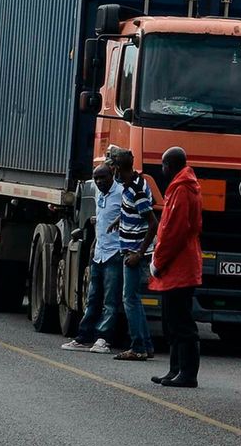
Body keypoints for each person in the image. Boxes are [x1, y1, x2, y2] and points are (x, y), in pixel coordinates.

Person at [149, 147, 204, 388]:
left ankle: (187, 373)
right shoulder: (182, 187)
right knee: (172, 320)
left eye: (163, 165)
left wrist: (157, 261)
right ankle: (175, 370)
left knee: (181, 322)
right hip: (178, 266)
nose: (161, 170)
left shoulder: (182, 189)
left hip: (178, 266)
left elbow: (174, 231)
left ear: (170, 165)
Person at [61, 164, 124, 354]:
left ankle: (103, 338)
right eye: (96, 178)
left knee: (110, 300)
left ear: (112, 175)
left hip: (114, 253)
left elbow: (134, 215)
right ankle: (83, 337)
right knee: (92, 297)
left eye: (102, 178)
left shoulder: (121, 193)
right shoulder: (99, 193)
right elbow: (102, 219)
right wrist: (94, 244)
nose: (99, 182)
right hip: (99, 253)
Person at [110, 148, 159, 362]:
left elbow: (153, 223)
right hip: (130, 248)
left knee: (129, 299)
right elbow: (137, 211)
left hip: (134, 252)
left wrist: (139, 254)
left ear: (119, 168)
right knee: (134, 299)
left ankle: (137, 346)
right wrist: (118, 221)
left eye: (113, 166)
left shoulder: (136, 191)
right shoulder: (133, 184)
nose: (112, 170)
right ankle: (146, 345)